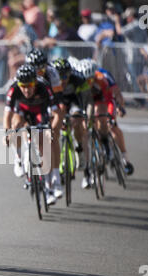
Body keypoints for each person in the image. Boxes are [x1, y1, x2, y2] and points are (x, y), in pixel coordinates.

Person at [3, 63, 57, 205]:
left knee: (43, 145)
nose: (26, 90)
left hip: (40, 112)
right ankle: (19, 158)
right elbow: (7, 115)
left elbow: (55, 113)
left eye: (30, 85)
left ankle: (49, 188)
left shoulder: (44, 86)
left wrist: (52, 128)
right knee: (15, 125)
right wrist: (7, 134)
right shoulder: (13, 88)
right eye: (23, 86)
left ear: (35, 81)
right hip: (22, 111)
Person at [25, 48, 63, 199]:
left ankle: (56, 178)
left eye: (42, 67)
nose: (39, 71)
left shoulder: (52, 73)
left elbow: (58, 101)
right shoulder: (25, 74)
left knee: (52, 137)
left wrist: (56, 123)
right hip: (29, 103)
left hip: (48, 102)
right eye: (36, 68)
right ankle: (25, 160)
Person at [52, 58, 93, 189]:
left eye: (65, 76)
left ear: (70, 74)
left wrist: (86, 116)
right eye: (59, 76)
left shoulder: (78, 79)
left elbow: (87, 100)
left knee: (77, 120)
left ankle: (80, 147)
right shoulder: (50, 80)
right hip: (58, 102)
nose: (63, 80)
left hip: (75, 101)